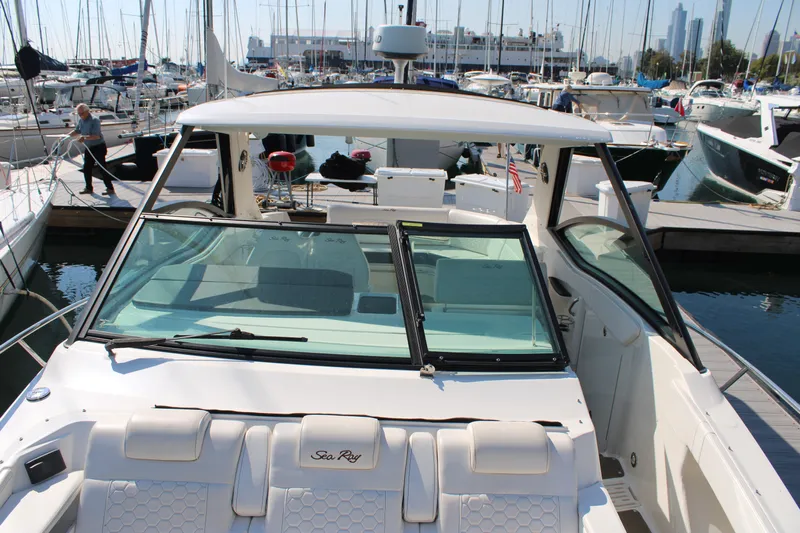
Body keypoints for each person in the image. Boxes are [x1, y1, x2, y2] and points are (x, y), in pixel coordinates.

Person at [71, 103, 115, 195]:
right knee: (86, 168)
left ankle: (110, 188)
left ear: (87, 111)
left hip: (98, 147)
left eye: (82, 113)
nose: (80, 115)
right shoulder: (81, 120)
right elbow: (77, 130)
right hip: (89, 148)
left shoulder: (95, 120)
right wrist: (67, 135)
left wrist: (84, 138)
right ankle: (88, 188)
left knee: (101, 168)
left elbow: (96, 136)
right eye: (79, 114)